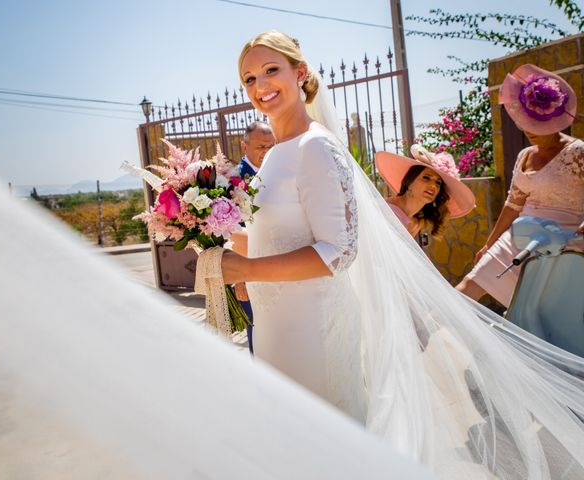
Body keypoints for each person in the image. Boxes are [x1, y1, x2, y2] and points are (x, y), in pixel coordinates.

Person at [205, 30, 584, 479]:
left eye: (271, 70)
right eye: (248, 78)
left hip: (313, 326)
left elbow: (338, 252)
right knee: (292, 442)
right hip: (275, 323)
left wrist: (247, 269)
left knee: (329, 445)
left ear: (300, 72)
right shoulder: (275, 157)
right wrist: (210, 240)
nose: (260, 85)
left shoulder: (317, 147)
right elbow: (275, 236)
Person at [456, 64, 584, 308]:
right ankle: (418, 338)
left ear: (554, 118)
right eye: (524, 122)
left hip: (563, 245)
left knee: (535, 313)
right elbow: (512, 205)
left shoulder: (578, 152)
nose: (528, 130)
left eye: (534, 123)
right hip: (517, 236)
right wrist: (489, 244)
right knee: (466, 288)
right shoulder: (524, 154)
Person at [234, 121, 275, 353]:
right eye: (261, 147)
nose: (266, 152)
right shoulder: (233, 180)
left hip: (279, 265)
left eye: (271, 146)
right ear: (244, 146)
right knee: (259, 337)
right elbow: (231, 231)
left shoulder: (276, 170)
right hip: (251, 272)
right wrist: (241, 279)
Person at [376, 146, 475, 238]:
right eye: (426, 178)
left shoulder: (417, 221)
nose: (433, 186)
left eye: (438, 182)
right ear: (410, 181)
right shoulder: (386, 212)